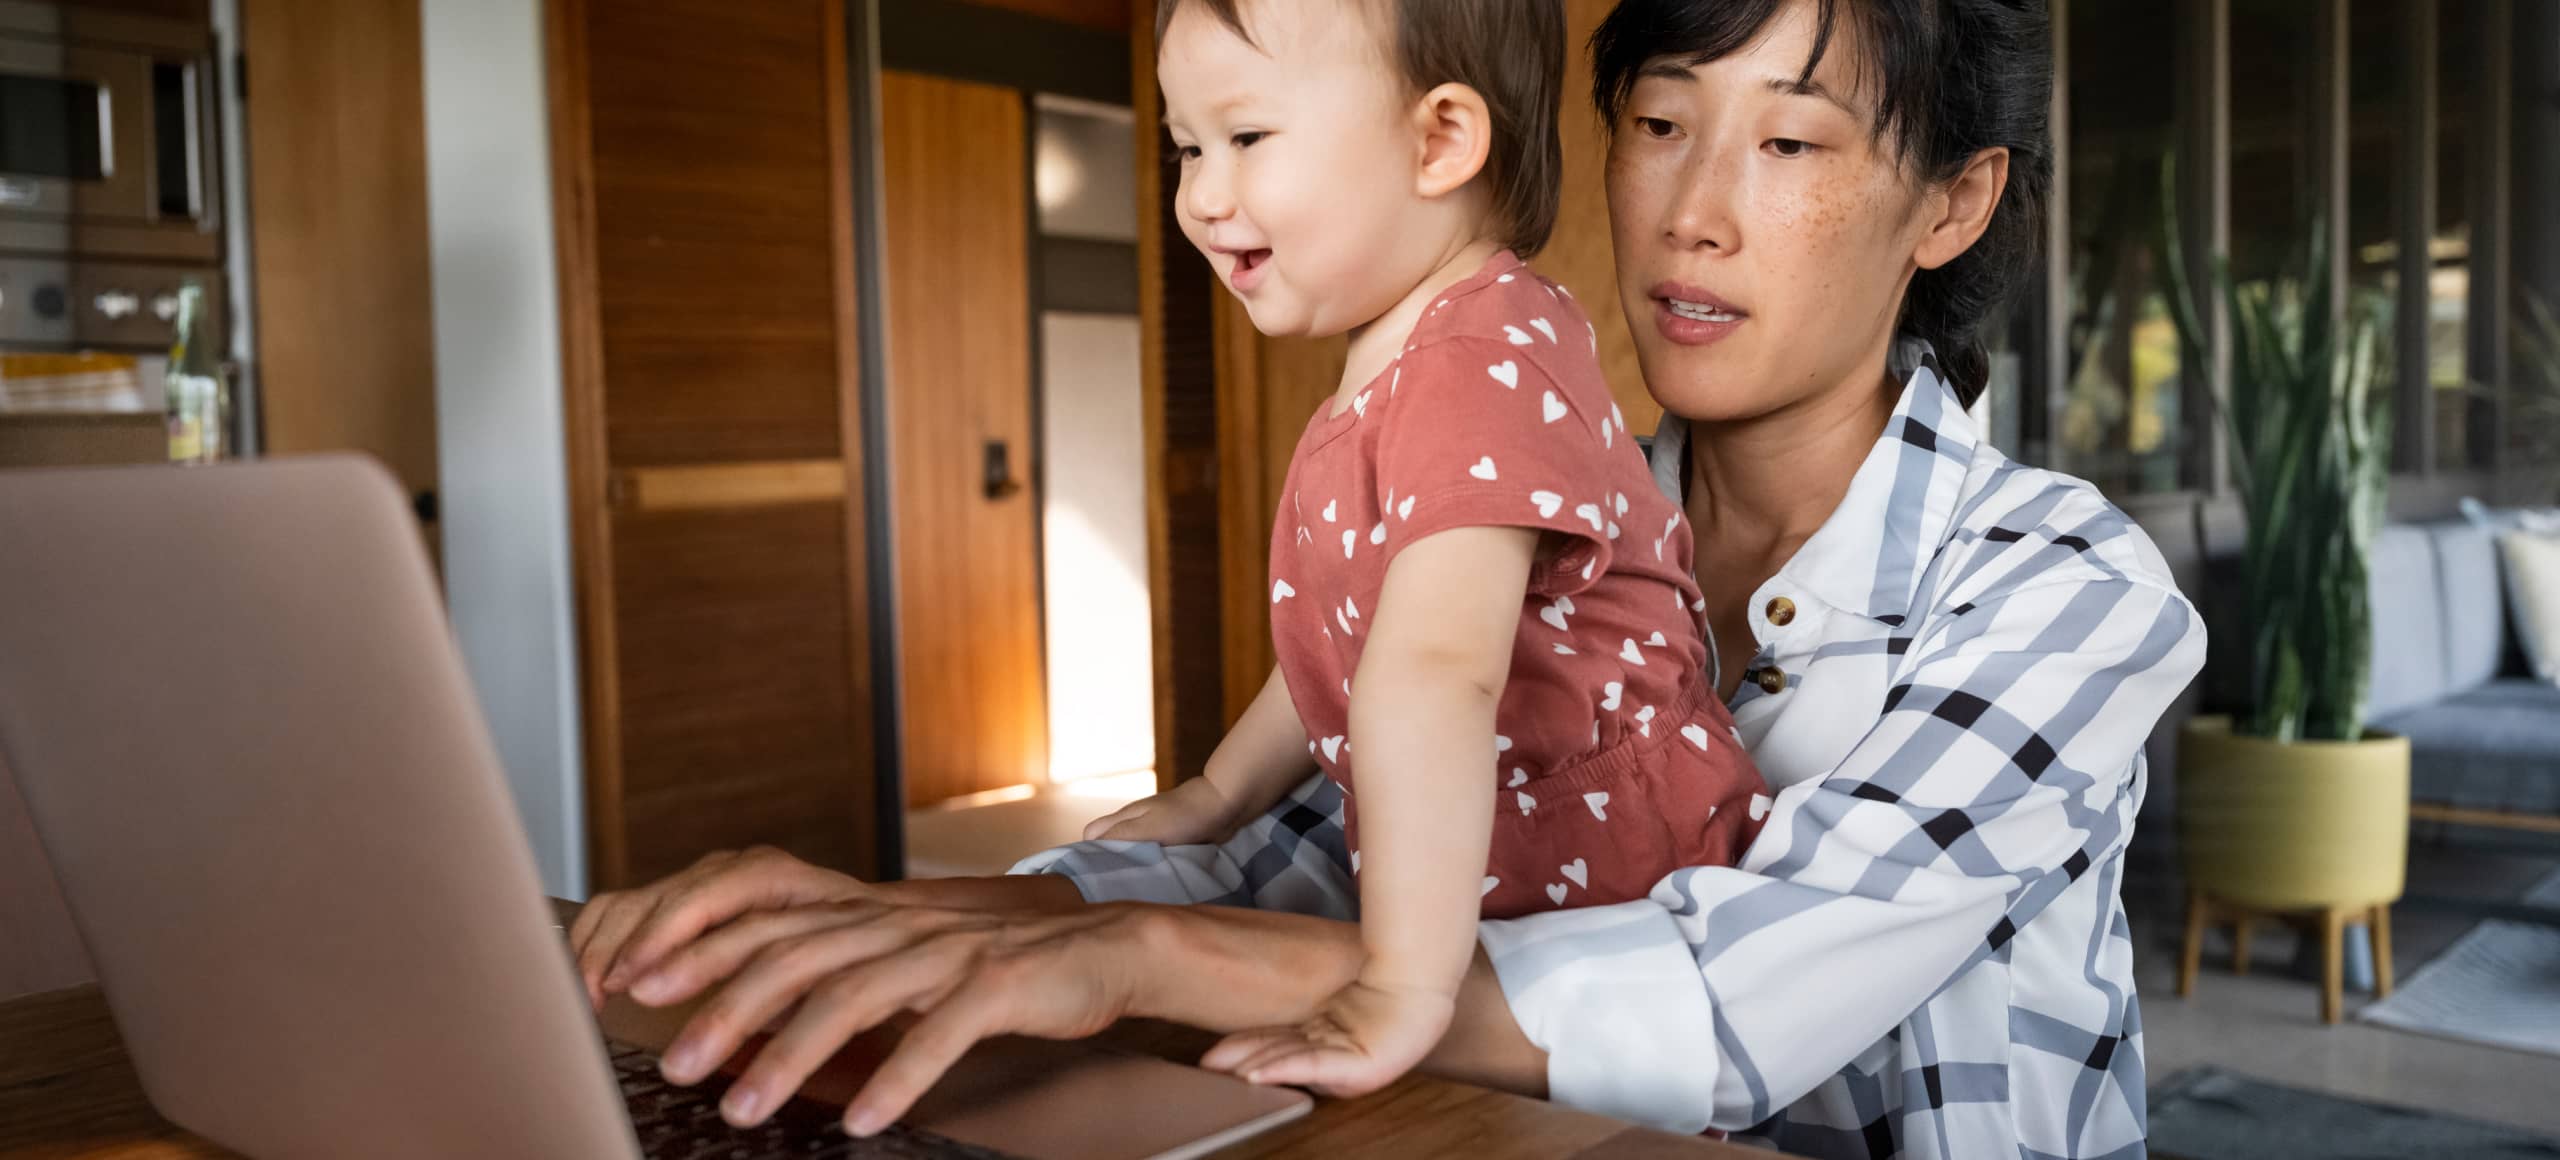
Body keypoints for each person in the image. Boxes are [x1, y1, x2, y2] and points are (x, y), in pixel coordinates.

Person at [569, 1, 2207, 1155]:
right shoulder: (1534, 520)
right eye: (1655, 124)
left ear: (1954, 197)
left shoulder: (2063, 591)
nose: (1695, 213)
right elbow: (1283, 859)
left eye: (1789, 141)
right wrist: (889, 918)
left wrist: (1137, 963)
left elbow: (1728, 1002)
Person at [1074, 0, 1766, 1097]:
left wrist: (1396, 981)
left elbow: (1433, 671)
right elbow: (1350, 654)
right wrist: (1217, 789)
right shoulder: (1410, 357)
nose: (1203, 196)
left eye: (1247, 138)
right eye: (1187, 147)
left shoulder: (1473, 355)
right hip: (1510, 871)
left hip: (1615, 876)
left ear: (1439, 139)